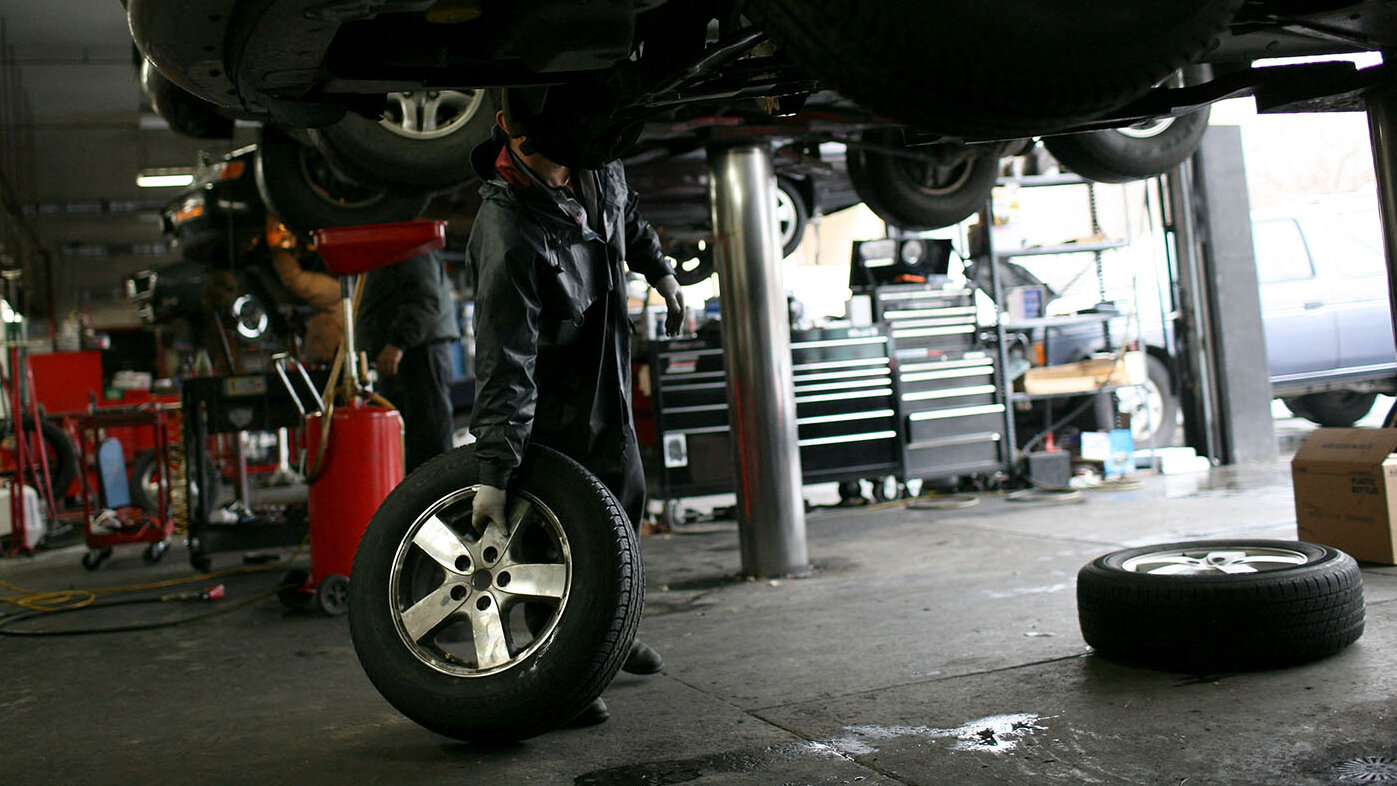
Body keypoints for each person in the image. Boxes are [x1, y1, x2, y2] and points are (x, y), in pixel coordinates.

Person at [466, 87, 684, 727]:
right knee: (558, 542)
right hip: (553, 409)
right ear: (522, 140)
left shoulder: (589, 155)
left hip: (608, 384)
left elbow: (626, 214)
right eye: (563, 161)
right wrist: (493, 471)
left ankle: (610, 636)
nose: (574, 171)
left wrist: (661, 270)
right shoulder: (507, 235)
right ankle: (562, 665)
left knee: (626, 509)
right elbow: (505, 363)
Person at [356, 248, 461, 475]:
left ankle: (437, 506)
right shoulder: (394, 248)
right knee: (412, 446)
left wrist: (397, 343)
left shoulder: (409, 246)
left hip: (418, 353)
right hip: (404, 356)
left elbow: (426, 299)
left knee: (429, 446)